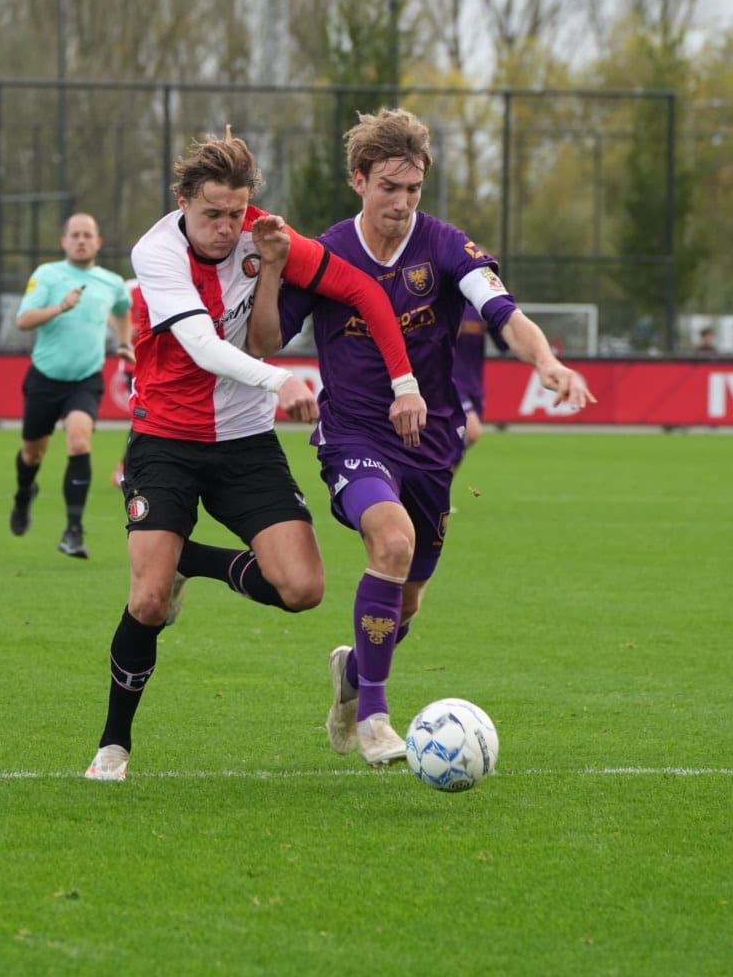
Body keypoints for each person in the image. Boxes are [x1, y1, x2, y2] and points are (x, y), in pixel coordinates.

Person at [249, 108, 594, 765]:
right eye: (389, 188)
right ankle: (376, 716)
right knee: (393, 538)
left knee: (406, 601)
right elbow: (265, 341)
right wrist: (271, 269)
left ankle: (353, 677)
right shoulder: (327, 253)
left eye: (412, 190)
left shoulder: (444, 245)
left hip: (432, 446)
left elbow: (502, 312)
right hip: (352, 434)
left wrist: (545, 360)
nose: (402, 204)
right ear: (359, 180)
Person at [85, 131, 429, 782]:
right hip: (166, 442)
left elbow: (365, 293)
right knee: (149, 600)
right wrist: (281, 380)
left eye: (235, 213)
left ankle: (190, 559)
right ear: (182, 200)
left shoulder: (261, 236)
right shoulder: (156, 253)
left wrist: (404, 382)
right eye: (211, 213)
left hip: (245, 446)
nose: (225, 228)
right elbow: (200, 346)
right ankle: (113, 744)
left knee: (302, 590)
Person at [10, 212, 134, 560]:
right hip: (45, 379)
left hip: (86, 379)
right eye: (75, 234)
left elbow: (124, 310)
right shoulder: (47, 275)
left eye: (87, 234)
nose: (81, 240)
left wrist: (124, 343)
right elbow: (23, 321)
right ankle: (23, 494)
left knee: (79, 442)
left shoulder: (111, 281)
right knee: (33, 453)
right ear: (64, 242)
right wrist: (60, 307)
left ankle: (74, 531)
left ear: (98, 242)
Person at [452, 301, 508, 464]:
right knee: (472, 432)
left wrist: (505, 317)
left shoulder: (482, 303)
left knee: (459, 441)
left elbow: (503, 345)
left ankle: (440, 487)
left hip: (474, 384)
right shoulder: (442, 299)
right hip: (450, 381)